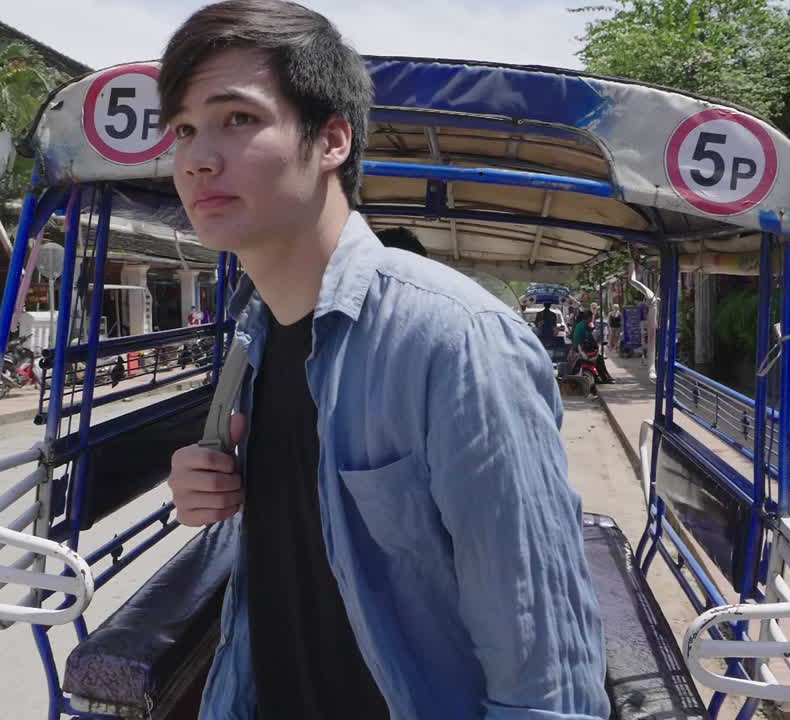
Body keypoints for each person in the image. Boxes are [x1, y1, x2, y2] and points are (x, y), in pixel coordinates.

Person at [157, 2, 608, 719]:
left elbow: (544, 675)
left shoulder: (457, 343)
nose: (197, 157)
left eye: (237, 118)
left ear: (331, 139)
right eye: (182, 129)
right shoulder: (254, 334)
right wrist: (208, 480)